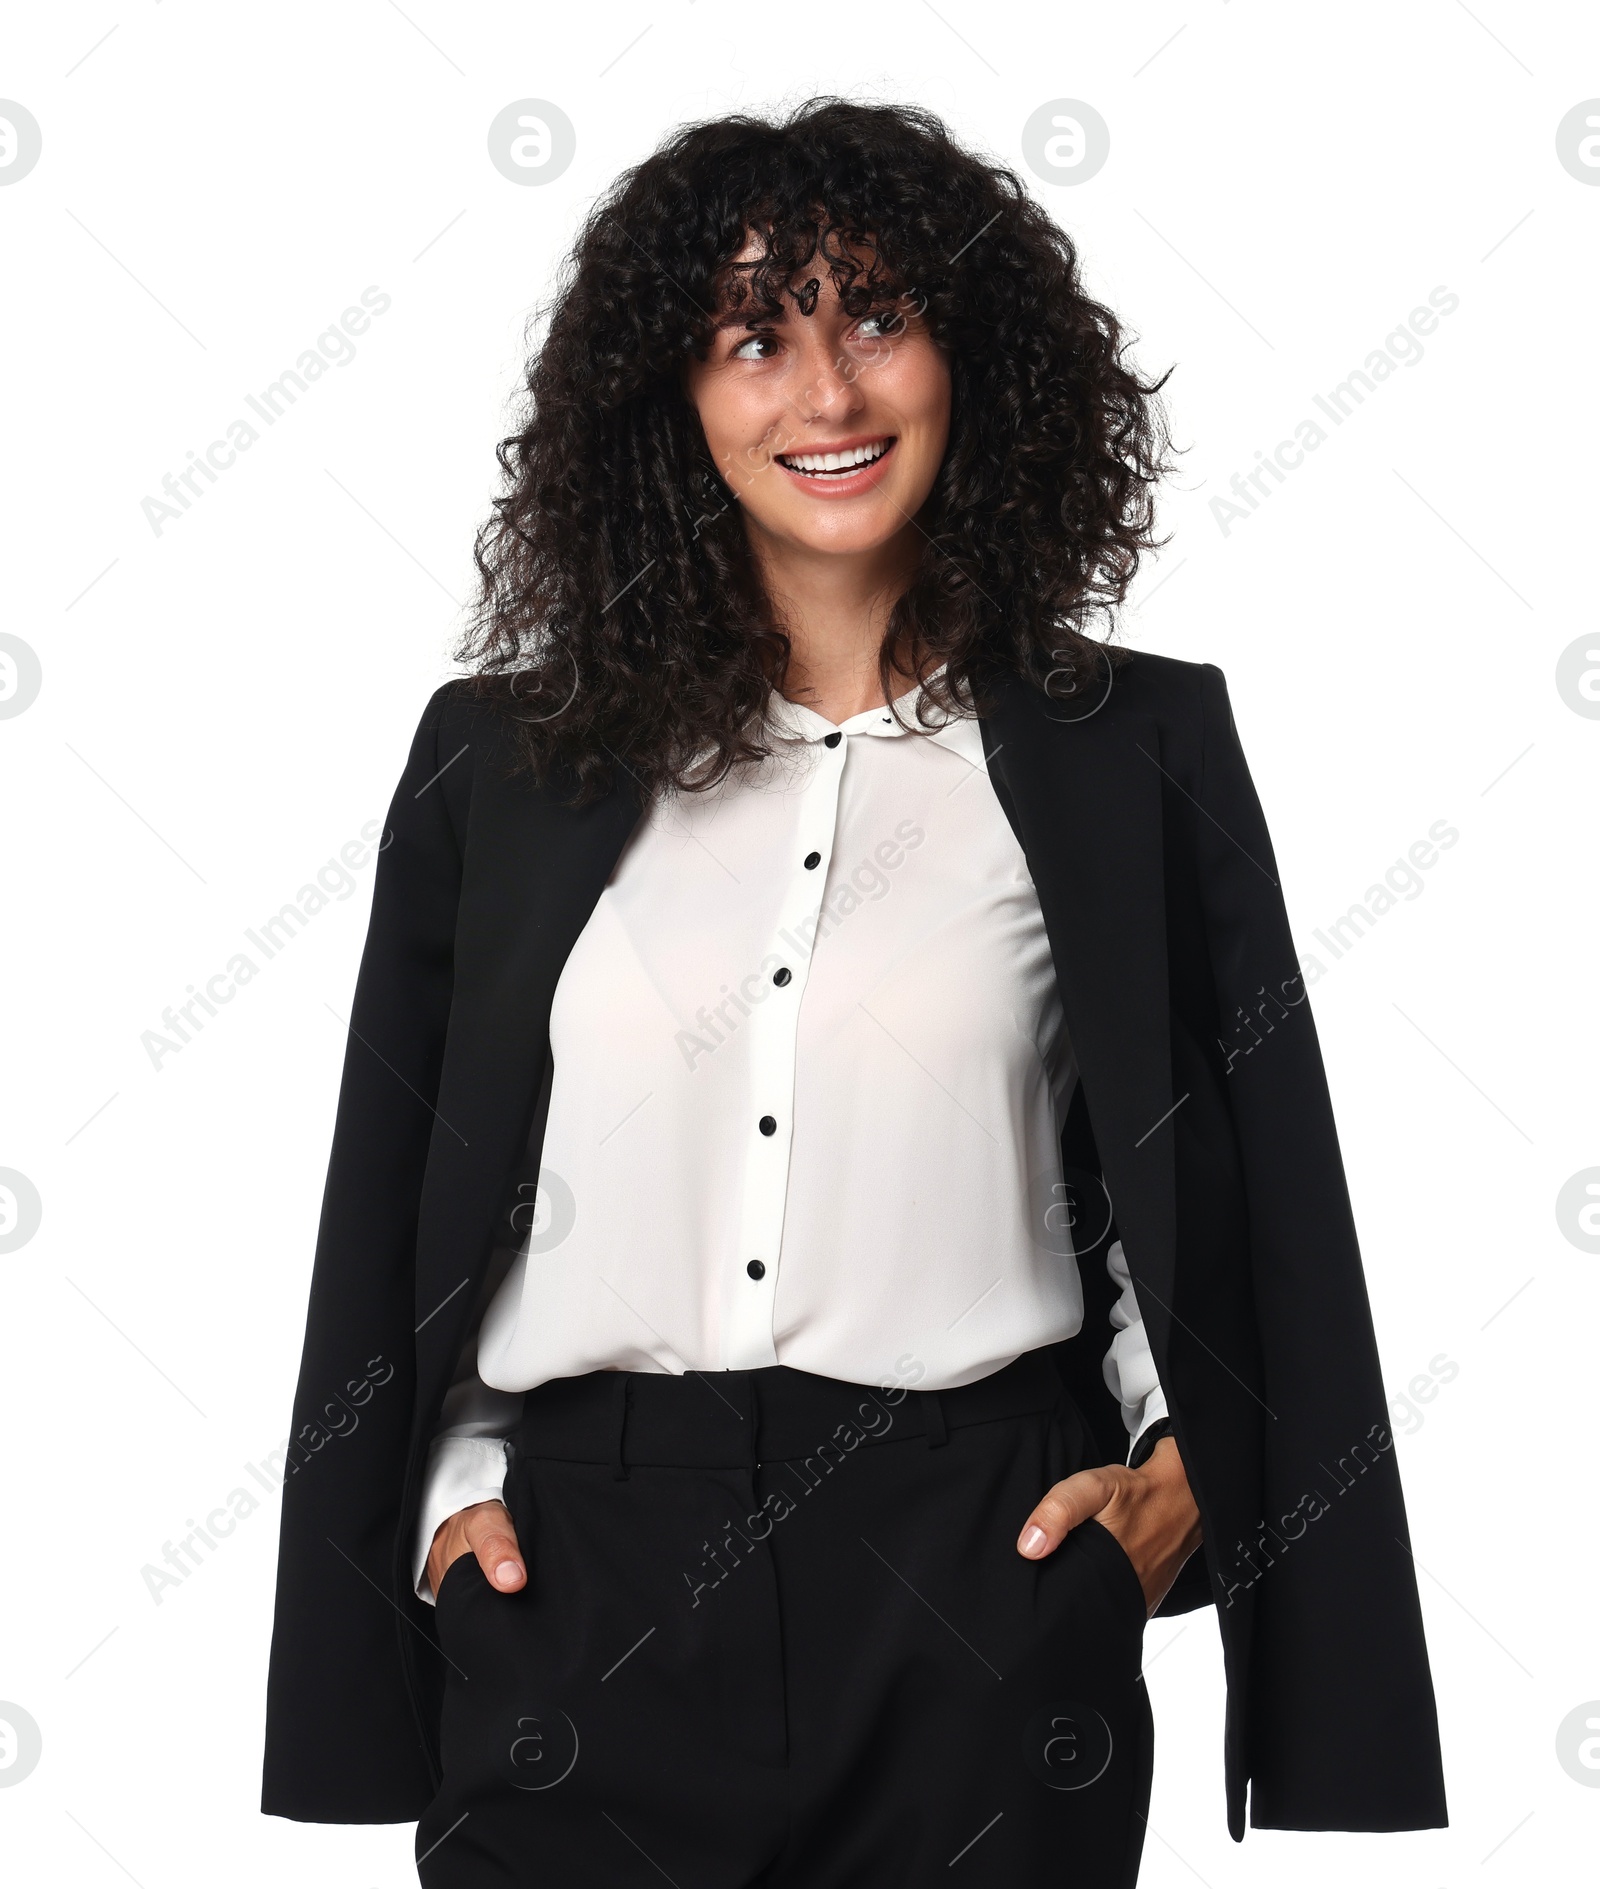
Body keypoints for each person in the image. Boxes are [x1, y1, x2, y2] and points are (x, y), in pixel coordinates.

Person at [261, 99, 1446, 1885]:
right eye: (755, 337)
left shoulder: (1133, 752)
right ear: (673, 398)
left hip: (984, 1585)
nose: (825, 395)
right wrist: (439, 1507)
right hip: (578, 1592)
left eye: (875, 317)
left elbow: (1218, 1189)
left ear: (975, 358)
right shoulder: (502, 765)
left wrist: (1184, 1479)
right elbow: (398, 1200)